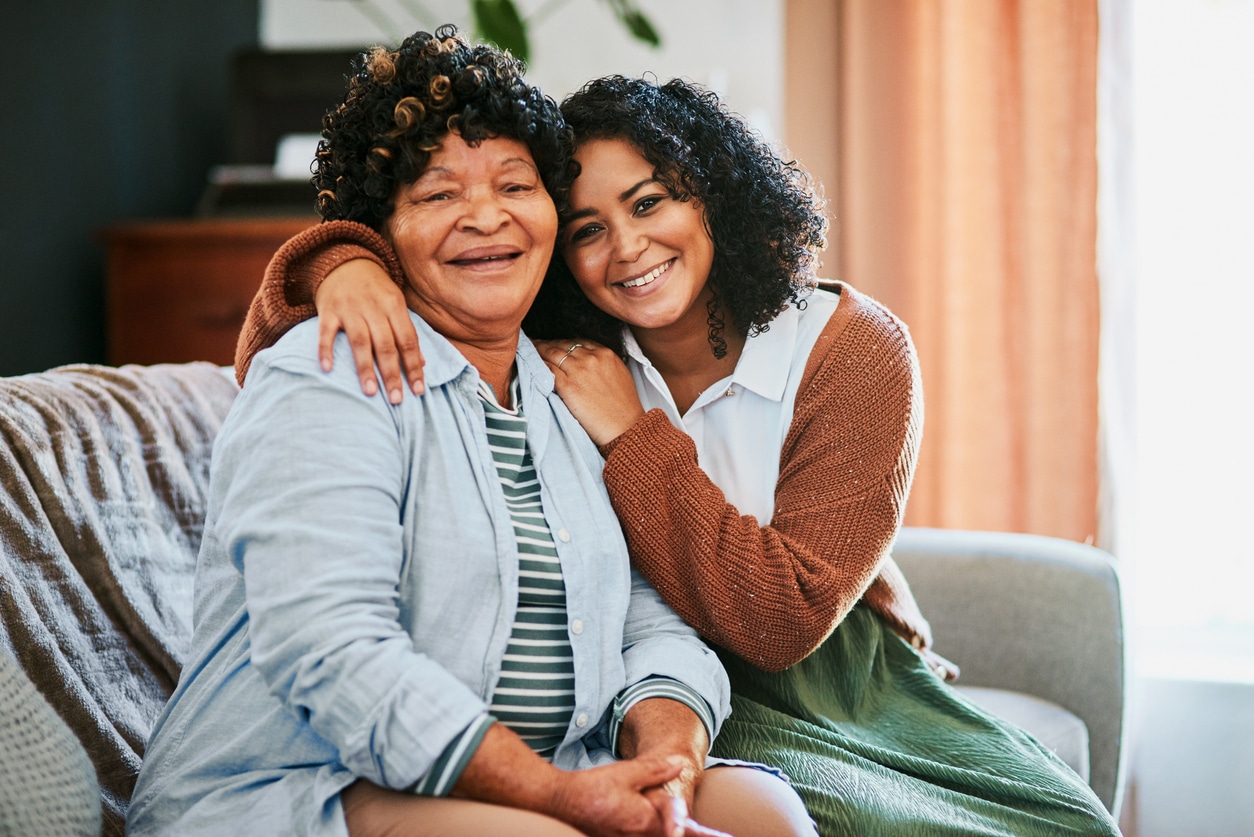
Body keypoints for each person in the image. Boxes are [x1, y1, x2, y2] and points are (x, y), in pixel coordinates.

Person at [235, 66, 1122, 835]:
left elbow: (781, 621)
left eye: (650, 201)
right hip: (670, 680)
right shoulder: (558, 339)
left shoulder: (853, 348)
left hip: (823, 661)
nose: (625, 249)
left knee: (1068, 821)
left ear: (715, 193)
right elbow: (290, 344)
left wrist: (632, 432)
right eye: (585, 228)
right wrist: (338, 262)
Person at [127, 29, 816, 837]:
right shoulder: (326, 376)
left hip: (558, 767)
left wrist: (667, 762)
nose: (485, 216)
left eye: (516, 185)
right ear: (380, 234)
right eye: (436, 194)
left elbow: (643, 612)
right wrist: (560, 799)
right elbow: (336, 653)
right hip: (307, 787)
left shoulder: (572, 387)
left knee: (770, 814)